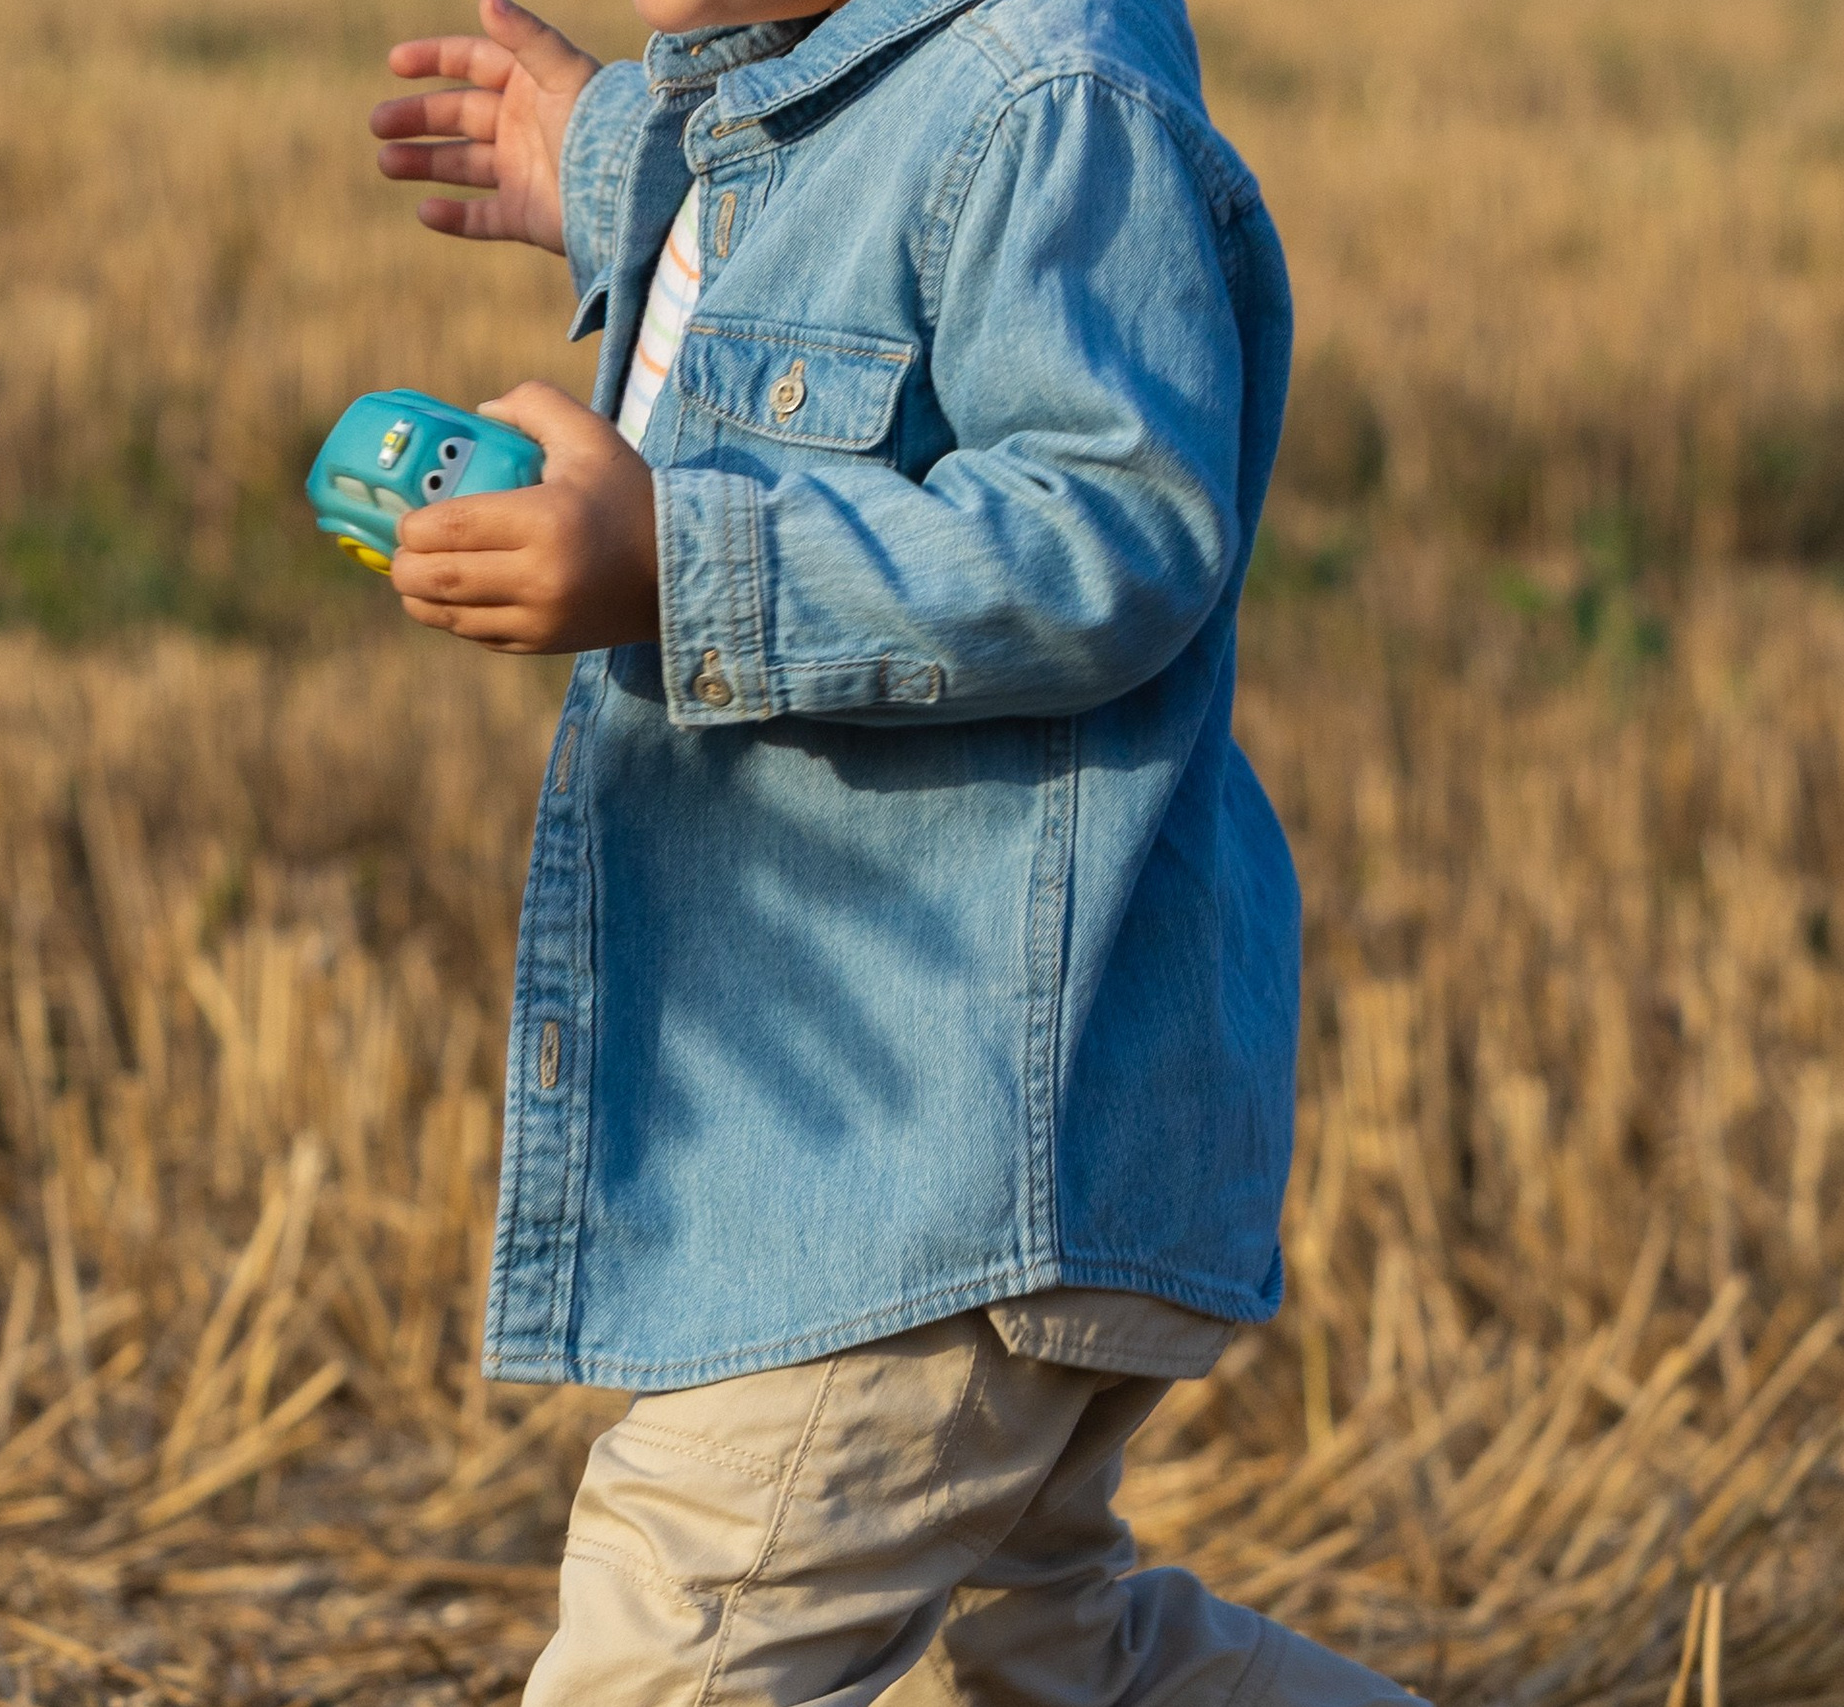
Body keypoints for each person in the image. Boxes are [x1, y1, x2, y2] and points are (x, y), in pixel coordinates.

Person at [367, 0, 1420, 1700]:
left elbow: (1116, 533)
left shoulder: (1055, 103)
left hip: (934, 1156)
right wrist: (621, 164)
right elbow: (833, 226)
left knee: (679, 1643)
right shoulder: (861, 74)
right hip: (891, 1150)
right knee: (1037, 1663)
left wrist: (677, 563)